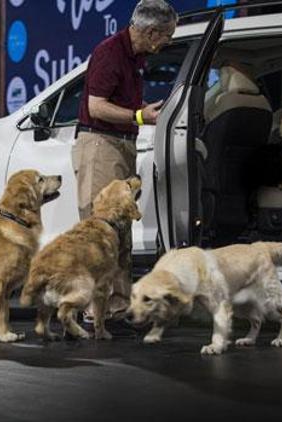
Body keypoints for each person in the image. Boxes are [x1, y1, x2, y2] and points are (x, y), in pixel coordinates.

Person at [72, 0, 177, 323]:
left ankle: (115, 306)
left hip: (120, 144)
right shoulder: (110, 52)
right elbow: (98, 107)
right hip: (101, 145)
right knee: (100, 231)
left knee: (119, 232)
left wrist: (143, 110)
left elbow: (120, 103)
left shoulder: (135, 58)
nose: (168, 42)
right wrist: (138, 115)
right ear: (151, 32)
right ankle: (93, 310)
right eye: (167, 36)